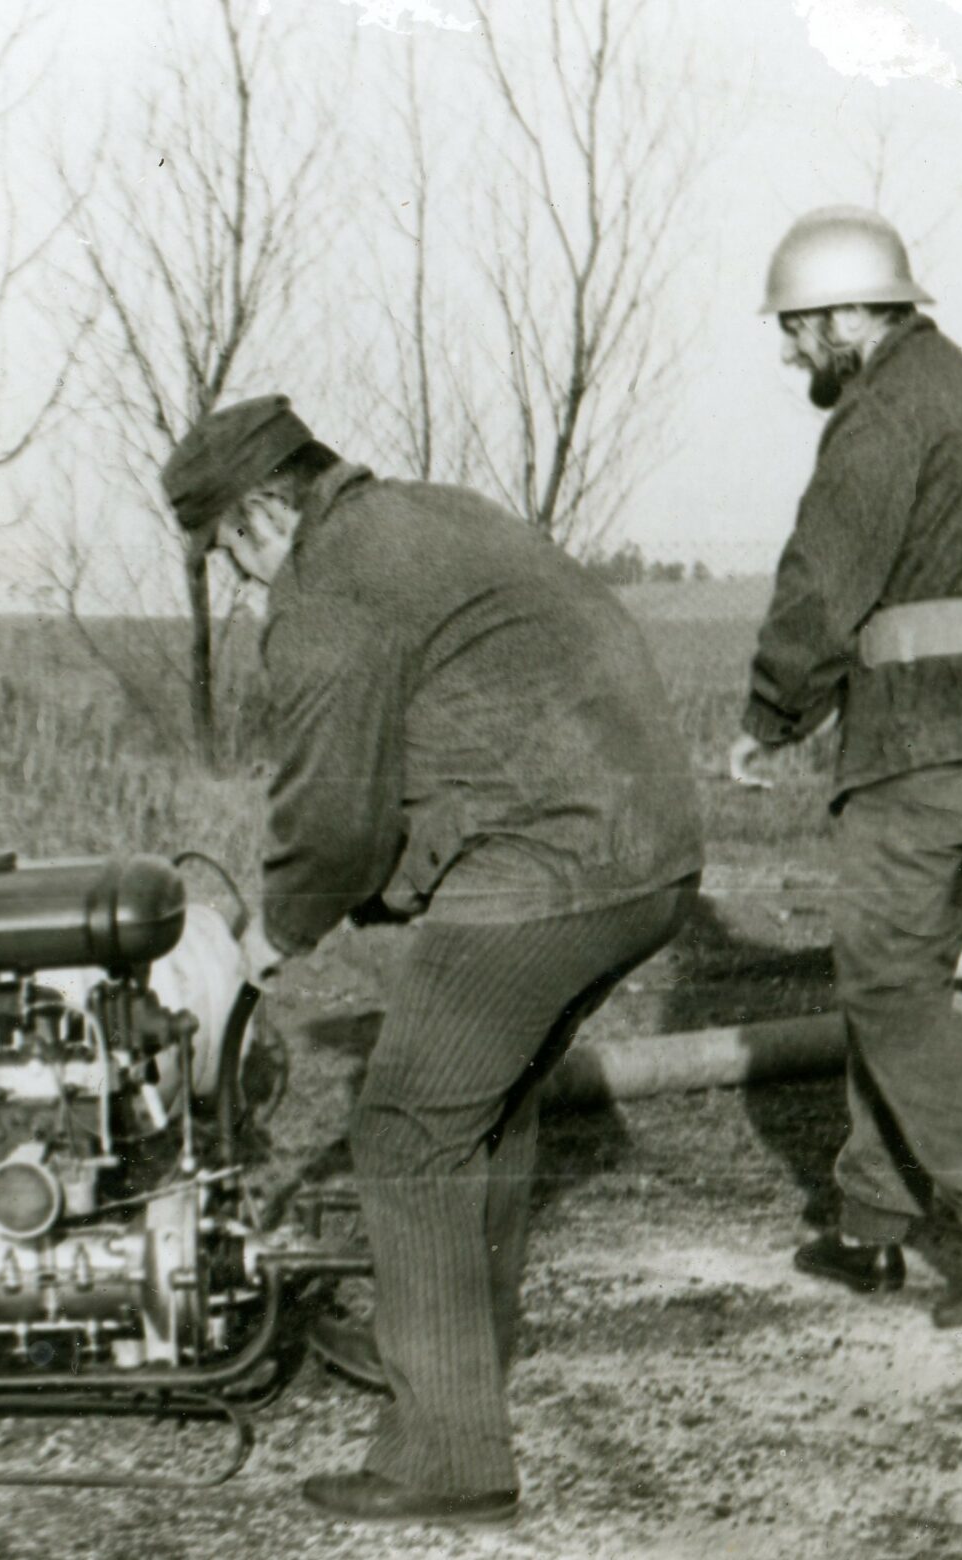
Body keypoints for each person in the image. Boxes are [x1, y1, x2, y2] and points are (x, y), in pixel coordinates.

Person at [160, 396, 704, 1527]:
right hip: (650, 852)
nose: (242, 580)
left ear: (261, 512)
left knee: (407, 1126)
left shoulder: (328, 584)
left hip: (551, 863)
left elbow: (332, 816)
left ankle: (448, 1458)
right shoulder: (430, 515)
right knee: (487, 1104)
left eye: (230, 553)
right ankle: (457, 1347)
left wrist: (269, 940)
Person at [727, 205, 962, 1324]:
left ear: (848, 315)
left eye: (797, 329)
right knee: (902, 981)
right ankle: (869, 1228)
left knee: (883, 982)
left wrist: (771, 712)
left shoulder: (880, 414)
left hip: (920, 740)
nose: (791, 353)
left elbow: (822, 582)